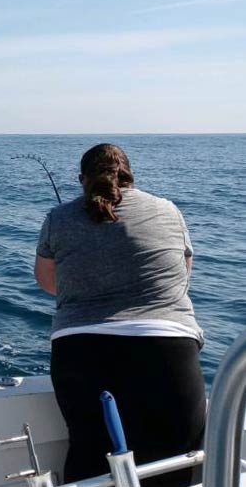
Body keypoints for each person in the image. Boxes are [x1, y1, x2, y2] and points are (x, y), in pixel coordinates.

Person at [34, 143, 205, 487]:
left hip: (80, 352)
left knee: (89, 461)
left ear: (83, 179)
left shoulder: (59, 218)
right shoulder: (168, 210)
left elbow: (48, 283)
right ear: (129, 176)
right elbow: (182, 274)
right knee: (174, 468)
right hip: (167, 350)